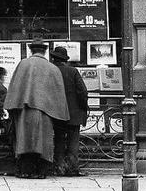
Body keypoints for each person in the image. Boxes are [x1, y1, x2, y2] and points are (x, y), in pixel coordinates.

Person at [5, 40, 69, 179]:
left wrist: (12, 108)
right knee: (43, 142)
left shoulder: (23, 64)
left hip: (25, 110)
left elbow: (15, 87)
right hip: (45, 111)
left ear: (31, 50)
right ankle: (41, 172)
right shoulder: (52, 68)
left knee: (25, 141)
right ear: (45, 51)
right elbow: (58, 93)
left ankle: (25, 170)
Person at [50, 45, 89, 176]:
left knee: (59, 140)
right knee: (73, 141)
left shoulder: (50, 71)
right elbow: (83, 91)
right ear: (65, 59)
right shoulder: (72, 71)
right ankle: (72, 168)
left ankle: (59, 168)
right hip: (74, 113)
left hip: (56, 113)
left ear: (53, 58)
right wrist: (83, 107)